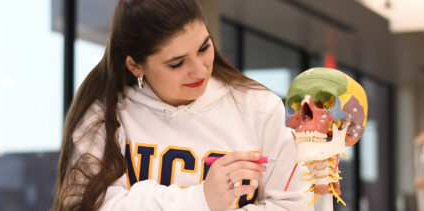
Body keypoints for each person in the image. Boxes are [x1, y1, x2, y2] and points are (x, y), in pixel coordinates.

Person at [53, 0, 311, 210]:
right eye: (177, 63)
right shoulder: (106, 115)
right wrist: (199, 200)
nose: (199, 71)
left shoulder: (259, 107)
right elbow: (88, 206)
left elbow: (293, 206)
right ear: (135, 65)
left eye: (203, 47)